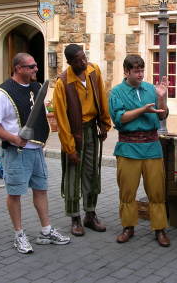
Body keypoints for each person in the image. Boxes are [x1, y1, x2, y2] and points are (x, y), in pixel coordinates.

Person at [0, 53, 70, 254]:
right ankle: (19, 234)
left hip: (36, 149)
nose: (35, 70)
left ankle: (46, 231)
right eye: (31, 67)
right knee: (15, 193)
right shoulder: (2, 93)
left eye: (36, 66)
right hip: (16, 151)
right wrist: (13, 138)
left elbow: (38, 112)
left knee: (41, 189)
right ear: (18, 68)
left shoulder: (35, 87)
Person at [108, 54, 170, 247]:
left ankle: (160, 229)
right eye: (136, 71)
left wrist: (161, 99)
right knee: (127, 191)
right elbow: (119, 119)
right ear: (126, 72)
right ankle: (128, 227)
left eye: (142, 70)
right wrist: (142, 110)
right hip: (128, 148)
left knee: (157, 191)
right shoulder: (116, 92)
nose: (141, 74)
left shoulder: (152, 89)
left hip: (152, 146)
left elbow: (163, 115)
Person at [52, 44, 112, 236]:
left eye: (84, 57)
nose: (84, 62)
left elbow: (102, 97)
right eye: (78, 60)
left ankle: (90, 213)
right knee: (72, 175)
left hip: (91, 129)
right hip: (73, 133)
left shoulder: (94, 71)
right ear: (70, 62)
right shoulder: (62, 83)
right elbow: (61, 119)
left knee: (91, 171)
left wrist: (104, 123)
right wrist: (70, 148)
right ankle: (74, 217)